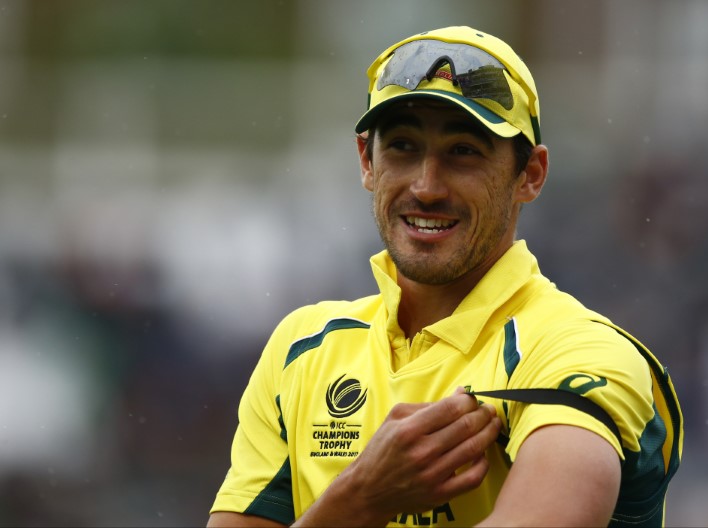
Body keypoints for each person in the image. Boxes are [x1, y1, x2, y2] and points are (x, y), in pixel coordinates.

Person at [207, 26, 683, 527]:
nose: (427, 186)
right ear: (367, 161)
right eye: (404, 147)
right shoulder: (302, 350)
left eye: (463, 152)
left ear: (531, 175)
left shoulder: (579, 353)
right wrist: (361, 498)